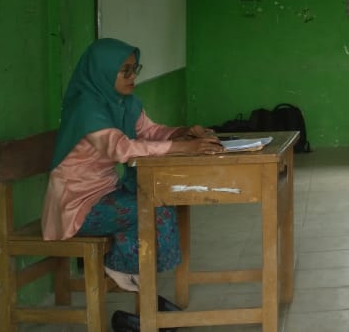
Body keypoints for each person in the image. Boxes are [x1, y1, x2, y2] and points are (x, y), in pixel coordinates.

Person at [42, 39, 223, 295]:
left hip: (106, 193)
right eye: (124, 70)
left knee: (159, 200)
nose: (132, 77)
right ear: (102, 70)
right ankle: (121, 267)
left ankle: (137, 281)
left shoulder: (124, 102)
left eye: (134, 69)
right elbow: (122, 148)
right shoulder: (87, 108)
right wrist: (183, 148)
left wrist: (184, 133)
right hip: (76, 205)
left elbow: (150, 132)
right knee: (150, 208)